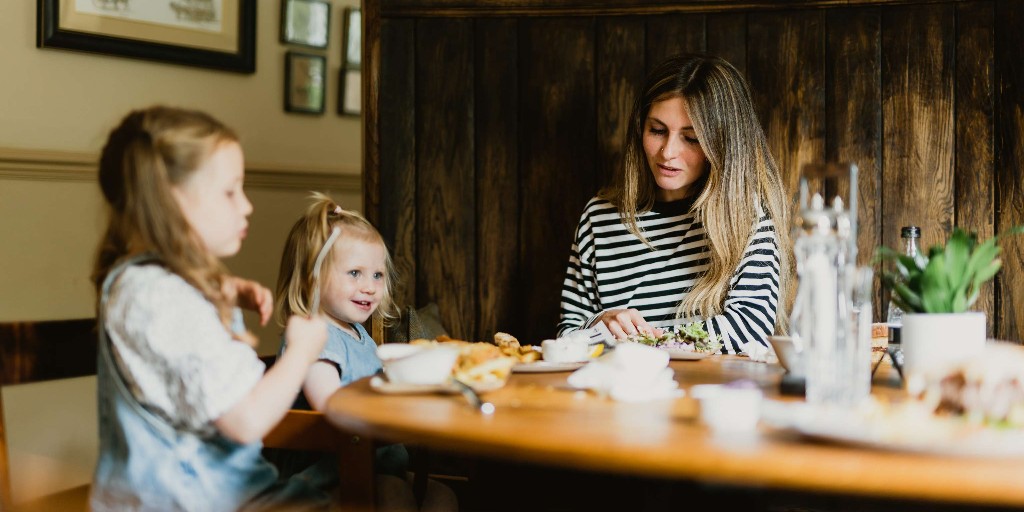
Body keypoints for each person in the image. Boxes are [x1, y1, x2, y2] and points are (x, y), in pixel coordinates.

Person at [89, 106, 332, 510]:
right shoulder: (158, 299)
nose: (247, 206)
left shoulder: (149, 287)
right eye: (230, 191)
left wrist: (222, 291)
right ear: (172, 200)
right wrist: (303, 353)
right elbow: (247, 420)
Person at [558, 53, 792, 355]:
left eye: (691, 138)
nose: (668, 152)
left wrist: (637, 344)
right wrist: (599, 324)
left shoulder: (745, 215)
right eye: (657, 130)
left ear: (722, 145)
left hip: (712, 398)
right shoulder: (599, 217)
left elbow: (749, 330)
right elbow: (565, 339)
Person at [274, 192, 458, 511]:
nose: (370, 287)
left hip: (372, 466)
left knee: (442, 497)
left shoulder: (360, 335)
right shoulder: (313, 335)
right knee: (393, 495)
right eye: (355, 273)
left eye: (377, 275)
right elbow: (332, 404)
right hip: (319, 480)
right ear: (311, 279)